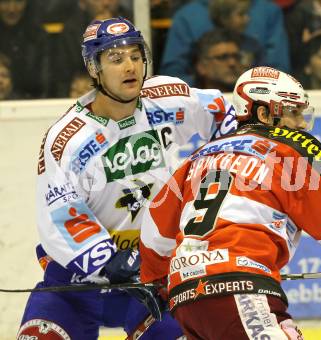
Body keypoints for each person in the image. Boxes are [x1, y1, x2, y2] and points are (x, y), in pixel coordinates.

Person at [139, 66, 321, 339]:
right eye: (292, 112)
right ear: (264, 113)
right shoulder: (293, 146)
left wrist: (157, 281)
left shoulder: (197, 158)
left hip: (186, 297)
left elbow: (154, 235)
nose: (301, 123)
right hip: (239, 287)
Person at [17, 17, 236, 340]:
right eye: (115, 59)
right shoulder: (68, 139)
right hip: (76, 284)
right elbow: (61, 214)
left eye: (135, 56)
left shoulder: (166, 99)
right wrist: (110, 260)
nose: (129, 66)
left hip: (149, 278)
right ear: (94, 69)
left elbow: (223, 115)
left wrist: (209, 184)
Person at [160, 0, 290, 85]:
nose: (247, 19)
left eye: (246, 13)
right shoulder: (187, 17)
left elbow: (278, 73)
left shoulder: (268, 13)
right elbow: (173, 76)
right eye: (241, 14)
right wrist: (202, 87)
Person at [0, 0, 49, 98]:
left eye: (18, 1)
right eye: (5, 1)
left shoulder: (39, 38)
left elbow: (46, 88)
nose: (12, 9)